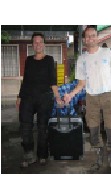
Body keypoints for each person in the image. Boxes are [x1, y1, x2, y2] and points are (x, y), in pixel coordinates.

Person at [64, 25, 111, 173]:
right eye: (88, 36)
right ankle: (99, 159)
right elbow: (81, 83)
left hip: (108, 96)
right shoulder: (82, 59)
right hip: (91, 97)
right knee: (93, 130)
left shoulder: (107, 53)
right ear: (84, 39)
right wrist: (70, 94)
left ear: (97, 37)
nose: (90, 38)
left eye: (93, 35)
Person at [16, 32, 62, 167]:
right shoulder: (28, 60)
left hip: (44, 98)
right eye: (35, 42)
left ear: (44, 44)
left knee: (43, 128)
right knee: (26, 127)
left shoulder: (49, 60)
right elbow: (26, 80)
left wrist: (57, 97)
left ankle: (42, 154)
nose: (37, 44)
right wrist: (19, 96)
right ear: (32, 45)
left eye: (40, 42)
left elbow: (53, 81)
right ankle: (28, 154)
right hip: (28, 98)